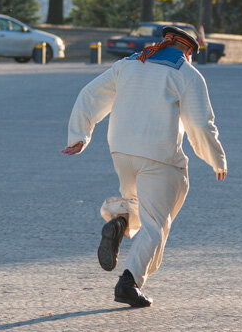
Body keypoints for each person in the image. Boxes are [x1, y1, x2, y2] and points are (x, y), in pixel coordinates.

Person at [62, 25, 227, 308]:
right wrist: (215, 158)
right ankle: (130, 282)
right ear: (188, 51)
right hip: (159, 156)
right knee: (156, 223)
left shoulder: (128, 64)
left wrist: (79, 136)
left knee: (138, 202)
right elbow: (200, 124)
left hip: (121, 151)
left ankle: (120, 219)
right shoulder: (187, 74)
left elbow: (90, 94)